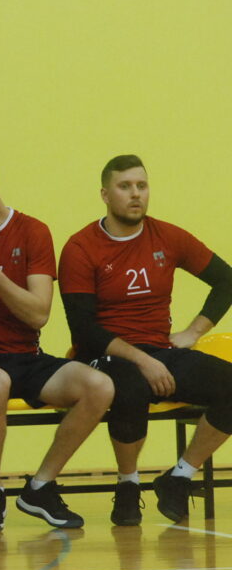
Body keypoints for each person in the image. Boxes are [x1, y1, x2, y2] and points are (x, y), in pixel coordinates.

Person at [59, 154, 232, 525]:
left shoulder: (167, 237)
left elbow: (226, 280)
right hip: (102, 354)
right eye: (125, 186)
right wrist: (142, 360)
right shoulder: (81, 247)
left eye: (141, 185)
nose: (135, 194)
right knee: (131, 385)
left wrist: (193, 332)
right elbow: (84, 330)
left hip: (158, 350)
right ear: (105, 194)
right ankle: (128, 484)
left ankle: (179, 477)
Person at [0, 149, 113, 532]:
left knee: (99, 386)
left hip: (26, 355)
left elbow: (38, 313)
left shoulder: (32, 231)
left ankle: (41, 486)